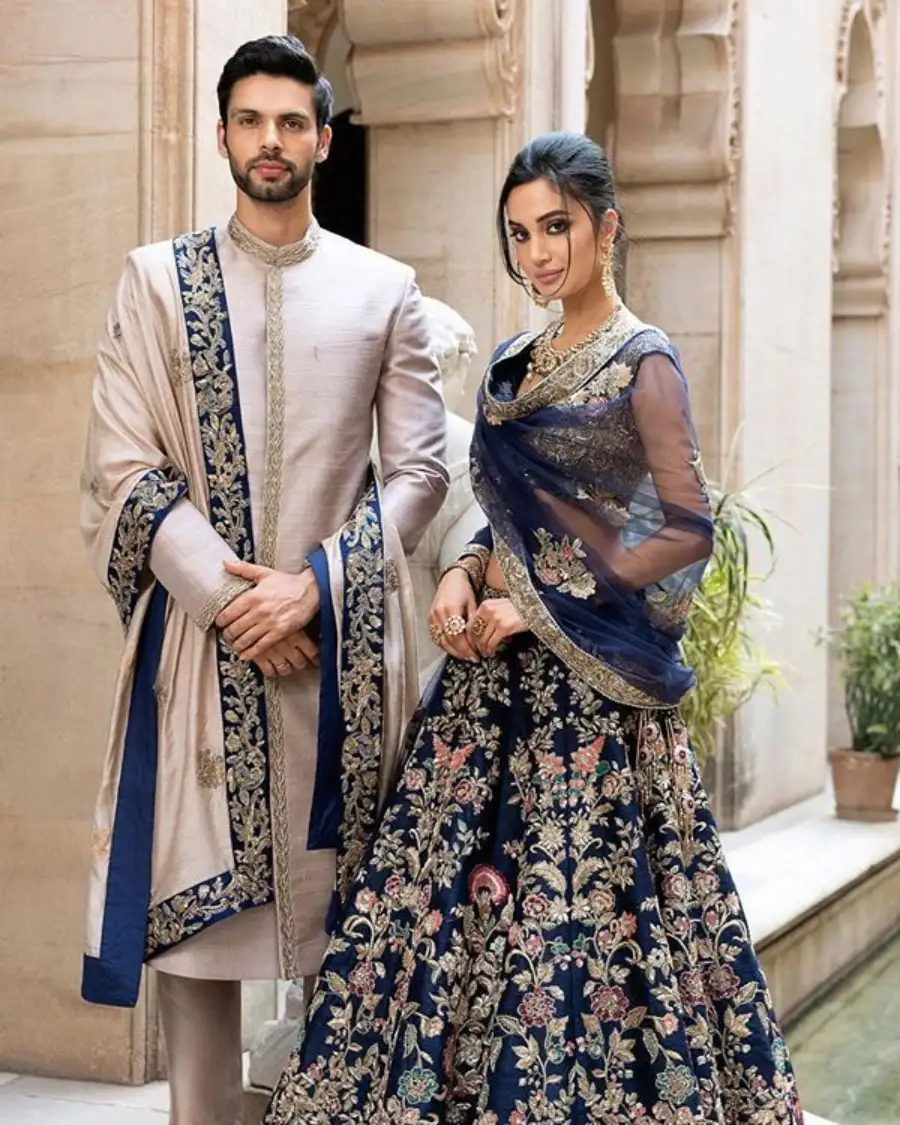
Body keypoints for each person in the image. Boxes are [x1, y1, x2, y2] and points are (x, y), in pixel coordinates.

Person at [264, 132, 804, 1124]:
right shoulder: (510, 364)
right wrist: (465, 579)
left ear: (606, 225)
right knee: (448, 917)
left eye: (556, 227)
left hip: (592, 704)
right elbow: (498, 526)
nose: (538, 254)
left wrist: (542, 606)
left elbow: (685, 527)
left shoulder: (646, 362)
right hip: (483, 697)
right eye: (519, 234)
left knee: (588, 926)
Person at [79, 34, 448, 1125]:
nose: (271, 141)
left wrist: (320, 588)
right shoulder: (156, 282)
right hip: (203, 660)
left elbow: (421, 469)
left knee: (355, 950)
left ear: (324, 139)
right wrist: (242, 604)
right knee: (196, 957)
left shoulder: (386, 291)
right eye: (251, 120)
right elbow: (121, 467)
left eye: (293, 122)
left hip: (338, 671)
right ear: (225, 133)